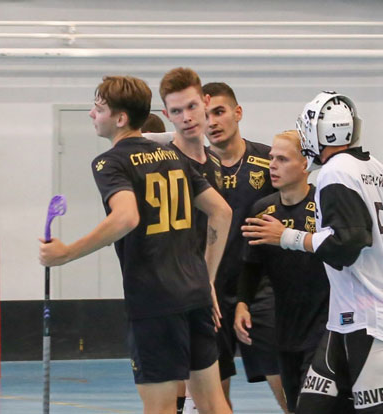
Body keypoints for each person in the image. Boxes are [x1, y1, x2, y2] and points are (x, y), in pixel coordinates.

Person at [39, 75, 232, 414]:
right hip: (196, 294)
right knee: (214, 404)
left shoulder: (110, 162)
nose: (91, 114)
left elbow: (126, 217)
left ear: (121, 118)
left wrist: (66, 254)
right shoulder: (174, 156)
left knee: (159, 408)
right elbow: (222, 211)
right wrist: (208, 278)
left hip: (154, 302)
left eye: (99, 109)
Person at [242, 91, 383, 413]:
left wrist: (287, 236)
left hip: (374, 323)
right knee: (312, 407)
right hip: (343, 323)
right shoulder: (375, 168)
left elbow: (346, 245)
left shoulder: (335, 172)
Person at [202, 82, 286, 412]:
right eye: (205, 115)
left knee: (287, 389)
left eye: (219, 112)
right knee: (214, 398)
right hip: (210, 292)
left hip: (263, 290)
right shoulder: (193, 168)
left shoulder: (270, 161)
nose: (212, 122)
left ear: (237, 113)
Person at [235, 130, 329, 413]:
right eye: (271, 158)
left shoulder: (324, 206)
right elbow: (252, 264)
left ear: (305, 164)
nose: (272, 165)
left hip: (324, 327)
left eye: (283, 159)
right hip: (286, 328)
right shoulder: (263, 210)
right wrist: (242, 303)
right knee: (293, 404)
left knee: (314, 405)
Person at [158, 67, 225, 414]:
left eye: (191, 107)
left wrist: (208, 281)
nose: (186, 117)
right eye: (176, 111)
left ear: (206, 102)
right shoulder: (165, 165)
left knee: (208, 399)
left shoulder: (213, 163)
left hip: (201, 288)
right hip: (172, 293)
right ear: (166, 114)